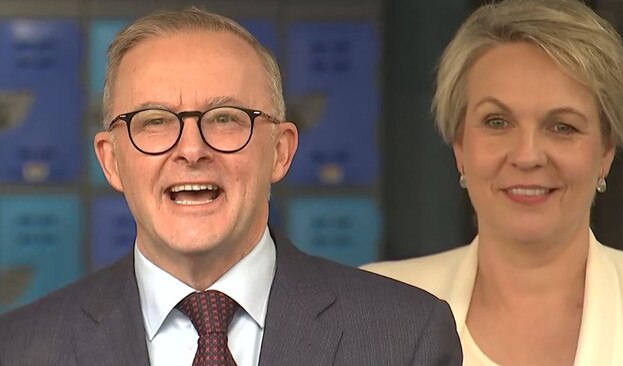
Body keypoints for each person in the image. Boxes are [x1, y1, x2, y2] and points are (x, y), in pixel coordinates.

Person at [0, 7, 462, 366]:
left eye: (225, 119)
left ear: (280, 151)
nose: (192, 149)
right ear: (111, 160)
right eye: (155, 121)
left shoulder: (406, 337)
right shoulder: (20, 349)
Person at [363, 0, 623, 365]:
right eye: (497, 122)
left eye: (563, 127)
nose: (527, 156)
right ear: (461, 146)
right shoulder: (371, 308)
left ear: (606, 152)